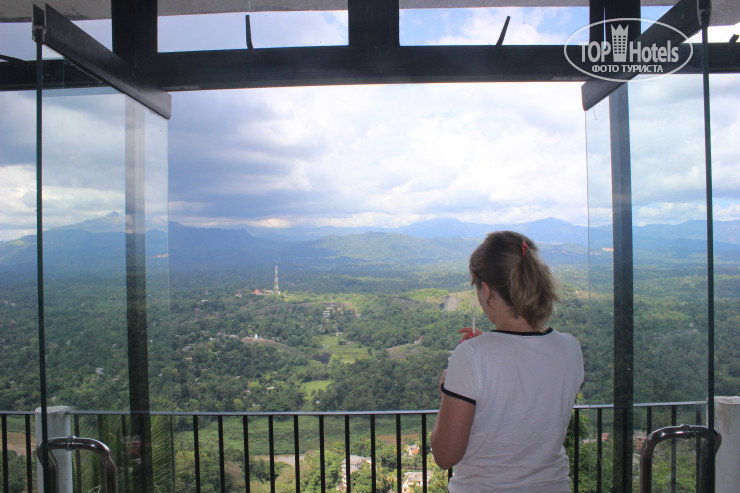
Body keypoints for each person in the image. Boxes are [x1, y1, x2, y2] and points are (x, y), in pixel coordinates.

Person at [431, 231, 583, 493]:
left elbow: (445, 456)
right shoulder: (570, 348)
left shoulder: (471, 356)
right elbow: (532, 388)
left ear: (487, 290)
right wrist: (491, 349)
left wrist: (449, 389)